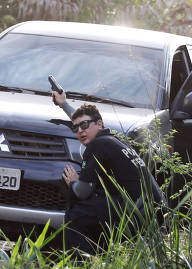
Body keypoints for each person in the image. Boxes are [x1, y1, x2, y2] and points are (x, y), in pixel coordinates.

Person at [52, 91, 163, 254]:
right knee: (97, 203)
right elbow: (82, 120)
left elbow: (82, 192)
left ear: (99, 124)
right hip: (156, 212)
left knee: (76, 211)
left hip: (138, 214)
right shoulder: (115, 140)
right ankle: (102, 255)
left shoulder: (98, 145)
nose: (80, 131)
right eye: (75, 128)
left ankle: (79, 263)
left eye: (84, 126)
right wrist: (63, 104)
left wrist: (73, 182)